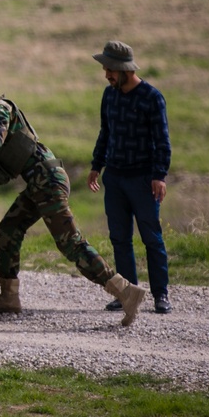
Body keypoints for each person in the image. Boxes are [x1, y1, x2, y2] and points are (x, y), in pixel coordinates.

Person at [0, 65, 147, 327]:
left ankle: (126, 292)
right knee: (8, 231)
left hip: (48, 180)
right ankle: (9, 297)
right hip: (38, 182)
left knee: (70, 243)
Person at [87, 41, 173, 315]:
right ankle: (127, 293)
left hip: (143, 179)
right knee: (119, 238)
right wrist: (96, 166)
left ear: (125, 70)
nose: (106, 74)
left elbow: (162, 141)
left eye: (110, 69)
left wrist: (159, 175)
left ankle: (161, 295)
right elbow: (105, 133)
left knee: (151, 238)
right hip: (115, 178)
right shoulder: (109, 95)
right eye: (105, 69)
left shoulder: (152, 97)